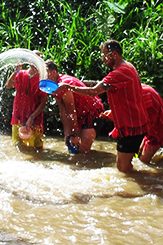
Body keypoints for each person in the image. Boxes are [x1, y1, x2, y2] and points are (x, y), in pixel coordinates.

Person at [57, 40, 148, 173]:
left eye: (105, 56)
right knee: (124, 166)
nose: (103, 59)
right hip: (132, 122)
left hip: (132, 125)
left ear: (114, 54)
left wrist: (68, 87)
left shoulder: (120, 72)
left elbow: (93, 91)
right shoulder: (127, 67)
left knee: (122, 168)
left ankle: (142, 187)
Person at [45, 60, 105, 153]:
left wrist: (73, 134)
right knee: (75, 147)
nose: (42, 77)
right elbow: (63, 112)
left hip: (93, 113)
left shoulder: (64, 85)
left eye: (45, 74)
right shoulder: (54, 87)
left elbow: (71, 111)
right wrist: (67, 133)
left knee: (83, 150)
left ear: (53, 72)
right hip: (80, 115)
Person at [5, 52, 48, 148]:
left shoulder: (43, 79)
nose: (34, 64)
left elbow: (43, 103)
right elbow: (8, 85)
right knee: (18, 146)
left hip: (34, 119)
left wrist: (32, 117)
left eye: (37, 61)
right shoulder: (21, 74)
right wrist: (16, 70)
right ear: (29, 61)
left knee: (37, 147)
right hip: (18, 116)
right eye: (33, 61)